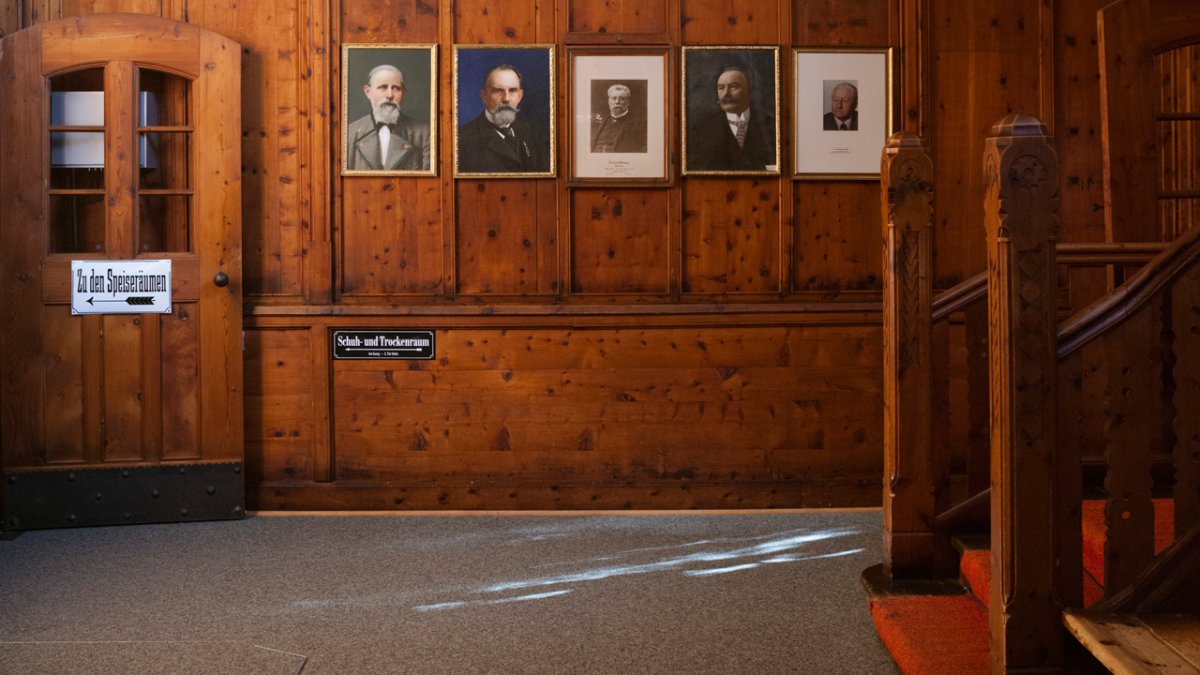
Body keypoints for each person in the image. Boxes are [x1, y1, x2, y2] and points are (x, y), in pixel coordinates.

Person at [457, 64, 550, 174]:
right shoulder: (462, 140)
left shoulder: (532, 133)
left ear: (520, 96)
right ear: (484, 96)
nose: (506, 98)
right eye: (498, 91)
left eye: (512, 90)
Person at [686, 65, 775, 171]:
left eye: (734, 87)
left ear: (749, 92)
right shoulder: (702, 129)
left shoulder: (771, 125)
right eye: (721, 88)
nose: (726, 93)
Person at [346, 64, 431, 171]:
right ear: (368, 92)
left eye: (396, 88)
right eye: (383, 87)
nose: (390, 95)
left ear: (403, 92)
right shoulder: (349, 134)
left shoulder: (425, 134)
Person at [590, 83, 647, 153]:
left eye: (622, 99)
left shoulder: (640, 124)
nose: (617, 102)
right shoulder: (597, 122)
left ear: (628, 102)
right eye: (614, 98)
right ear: (608, 101)